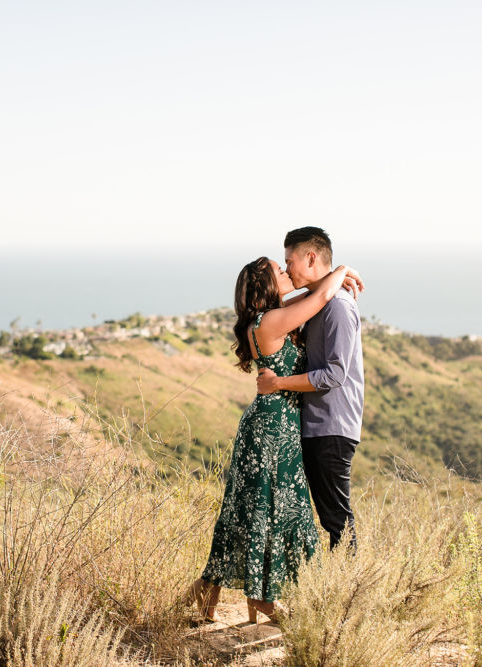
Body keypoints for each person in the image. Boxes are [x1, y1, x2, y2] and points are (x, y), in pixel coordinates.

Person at [186, 255, 364, 624]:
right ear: (267, 285)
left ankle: (212, 593)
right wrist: (343, 269)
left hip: (273, 422)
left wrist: (323, 278)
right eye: (279, 271)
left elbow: (312, 294)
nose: (287, 273)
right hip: (273, 426)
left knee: (248, 510)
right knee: (272, 509)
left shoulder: (269, 316)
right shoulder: (272, 320)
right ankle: (262, 601)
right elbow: (319, 298)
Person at [257, 227, 364, 554]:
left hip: (331, 427)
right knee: (326, 519)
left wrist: (278, 383)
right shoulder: (320, 303)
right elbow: (296, 301)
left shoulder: (338, 307)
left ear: (311, 258)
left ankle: (347, 596)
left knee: (337, 522)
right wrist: (339, 271)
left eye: (290, 261)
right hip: (316, 425)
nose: (288, 269)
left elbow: (334, 374)